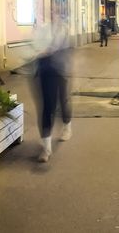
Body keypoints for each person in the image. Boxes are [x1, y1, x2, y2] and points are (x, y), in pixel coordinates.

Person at [30, 14, 72, 163]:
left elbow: (63, 49)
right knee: (47, 107)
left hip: (60, 71)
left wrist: (49, 50)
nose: (54, 14)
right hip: (44, 70)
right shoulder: (43, 29)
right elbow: (35, 45)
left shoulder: (64, 30)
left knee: (62, 101)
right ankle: (46, 148)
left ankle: (67, 125)